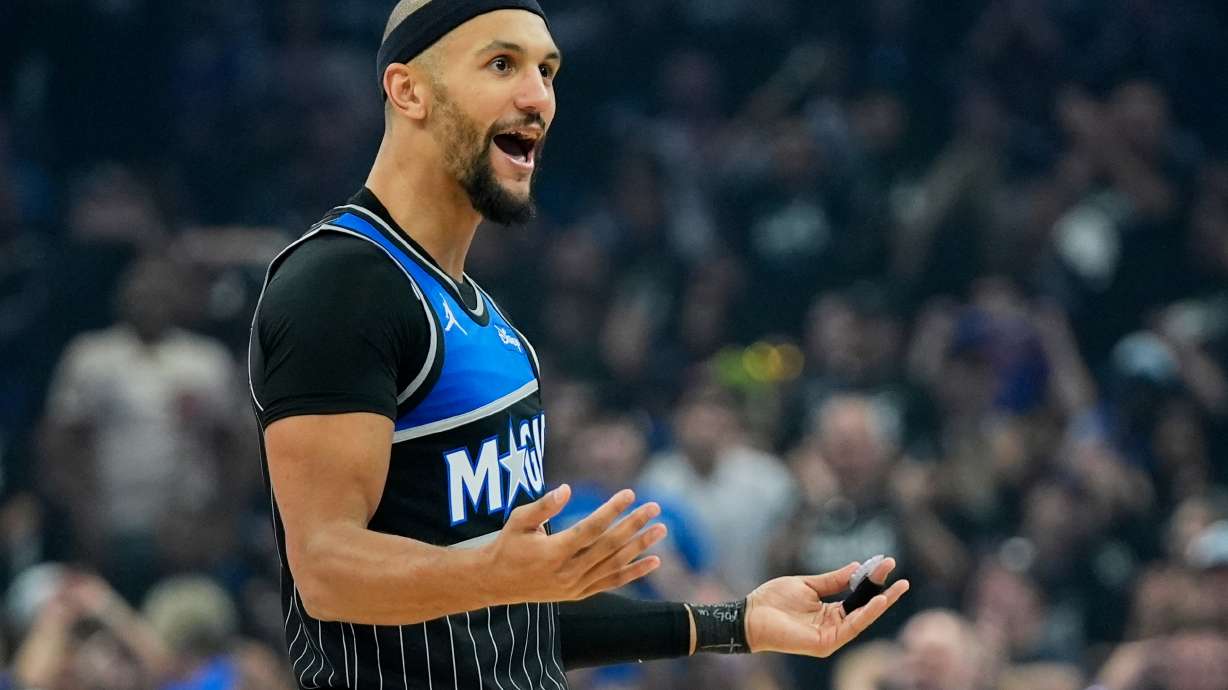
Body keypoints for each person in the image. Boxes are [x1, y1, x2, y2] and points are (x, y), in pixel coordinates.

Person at [247, 1, 909, 688]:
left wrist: (735, 622)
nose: (538, 97)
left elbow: (515, 623)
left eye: (548, 70)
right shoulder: (339, 282)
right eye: (502, 64)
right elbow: (324, 570)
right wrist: (492, 575)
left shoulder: (495, 328)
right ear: (408, 89)